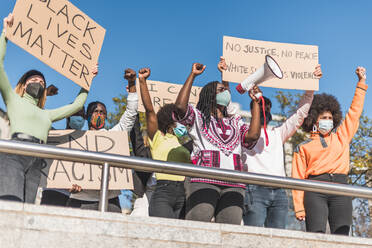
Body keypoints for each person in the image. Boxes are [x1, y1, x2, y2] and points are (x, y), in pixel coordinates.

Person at [0, 13, 98, 203]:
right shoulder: (13, 100)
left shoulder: (47, 115)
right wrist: (5, 33)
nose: (38, 82)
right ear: (24, 83)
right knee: (10, 204)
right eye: (33, 79)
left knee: (27, 209)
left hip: (38, 158)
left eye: (41, 81)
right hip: (15, 152)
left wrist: (88, 80)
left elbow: (78, 105)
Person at [174, 62, 262, 225]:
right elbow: (180, 107)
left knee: (230, 233)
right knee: (197, 228)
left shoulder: (235, 121)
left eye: (226, 90)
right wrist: (192, 75)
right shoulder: (198, 118)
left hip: (235, 183)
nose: (226, 93)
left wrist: (256, 103)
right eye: (221, 90)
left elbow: (253, 136)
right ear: (210, 96)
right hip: (204, 181)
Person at [242, 65, 322, 229]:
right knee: (252, 236)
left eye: (267, 107)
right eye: (260, 106)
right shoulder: (242, 131)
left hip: (279, 192)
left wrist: (310, 89)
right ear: (253, 110)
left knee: (278, 238)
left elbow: (299, 115)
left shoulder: (278, 133)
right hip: (254, 189)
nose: (264, 110)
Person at [292, 66, 368, 235]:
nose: (328, 121)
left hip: (341, 188)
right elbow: (297, 178)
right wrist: (298, 207)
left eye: (330, 118)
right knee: (316, 235)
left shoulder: (342, 135)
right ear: (314, 120)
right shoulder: (302, 146)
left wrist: (361, 84)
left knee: (341, 236)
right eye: (323, 118)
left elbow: (354, 113)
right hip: (314, 190)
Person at [67, 68, 139, 213]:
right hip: (80, 200)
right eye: (96, 111)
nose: (99, 114)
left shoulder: (113, 135)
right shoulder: (77, 139)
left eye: (103, 112)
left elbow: (131, 114)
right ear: (88, 116)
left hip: (110, 201)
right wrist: (67, 184)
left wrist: (132, 84)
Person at [138, 67, 189, 219]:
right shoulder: (158, 138)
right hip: (163, 193)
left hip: (182, 194)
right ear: (169, 120)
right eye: (179, 118)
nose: (182, 123)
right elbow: (149, 111)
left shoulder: (183, 143)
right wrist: (142, 81)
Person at [40, 107, 86, 207]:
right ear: (67, 116)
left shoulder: (87, 143)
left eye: (82, 115)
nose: (79, 117)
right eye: (76, 114)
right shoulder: (52, 135)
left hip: (76, 199)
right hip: (52, 193)